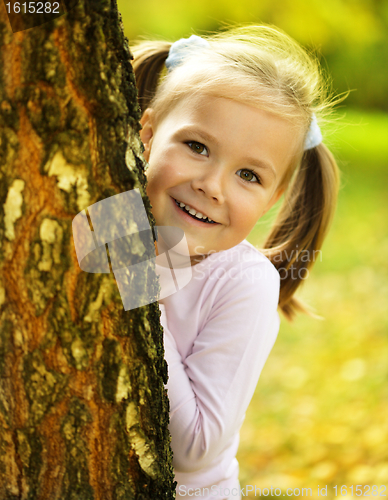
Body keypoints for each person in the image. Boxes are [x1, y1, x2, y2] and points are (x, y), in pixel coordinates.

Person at [130, 25, 343, 499]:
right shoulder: (109, 221)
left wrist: (138, 284)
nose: (213, 185)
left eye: (248, 174)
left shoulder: (245, 282)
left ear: (273, 198)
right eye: (197, 147)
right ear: (146, 135)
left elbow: (194, 451)